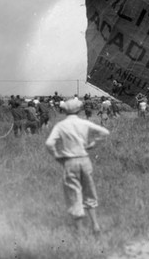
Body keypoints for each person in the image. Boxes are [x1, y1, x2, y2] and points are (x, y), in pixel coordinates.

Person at [45, 98, 110, 235]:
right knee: (89, 190)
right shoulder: (84, 122)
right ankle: (95, 225)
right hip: (84, 159)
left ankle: (79, 230)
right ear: (79, 110)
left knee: (73, 193)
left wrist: (57, 156)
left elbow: (49, 143)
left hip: (69, 160)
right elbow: (104, 132)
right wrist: (93, 144)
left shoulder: (60, 125)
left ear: (64, 111)